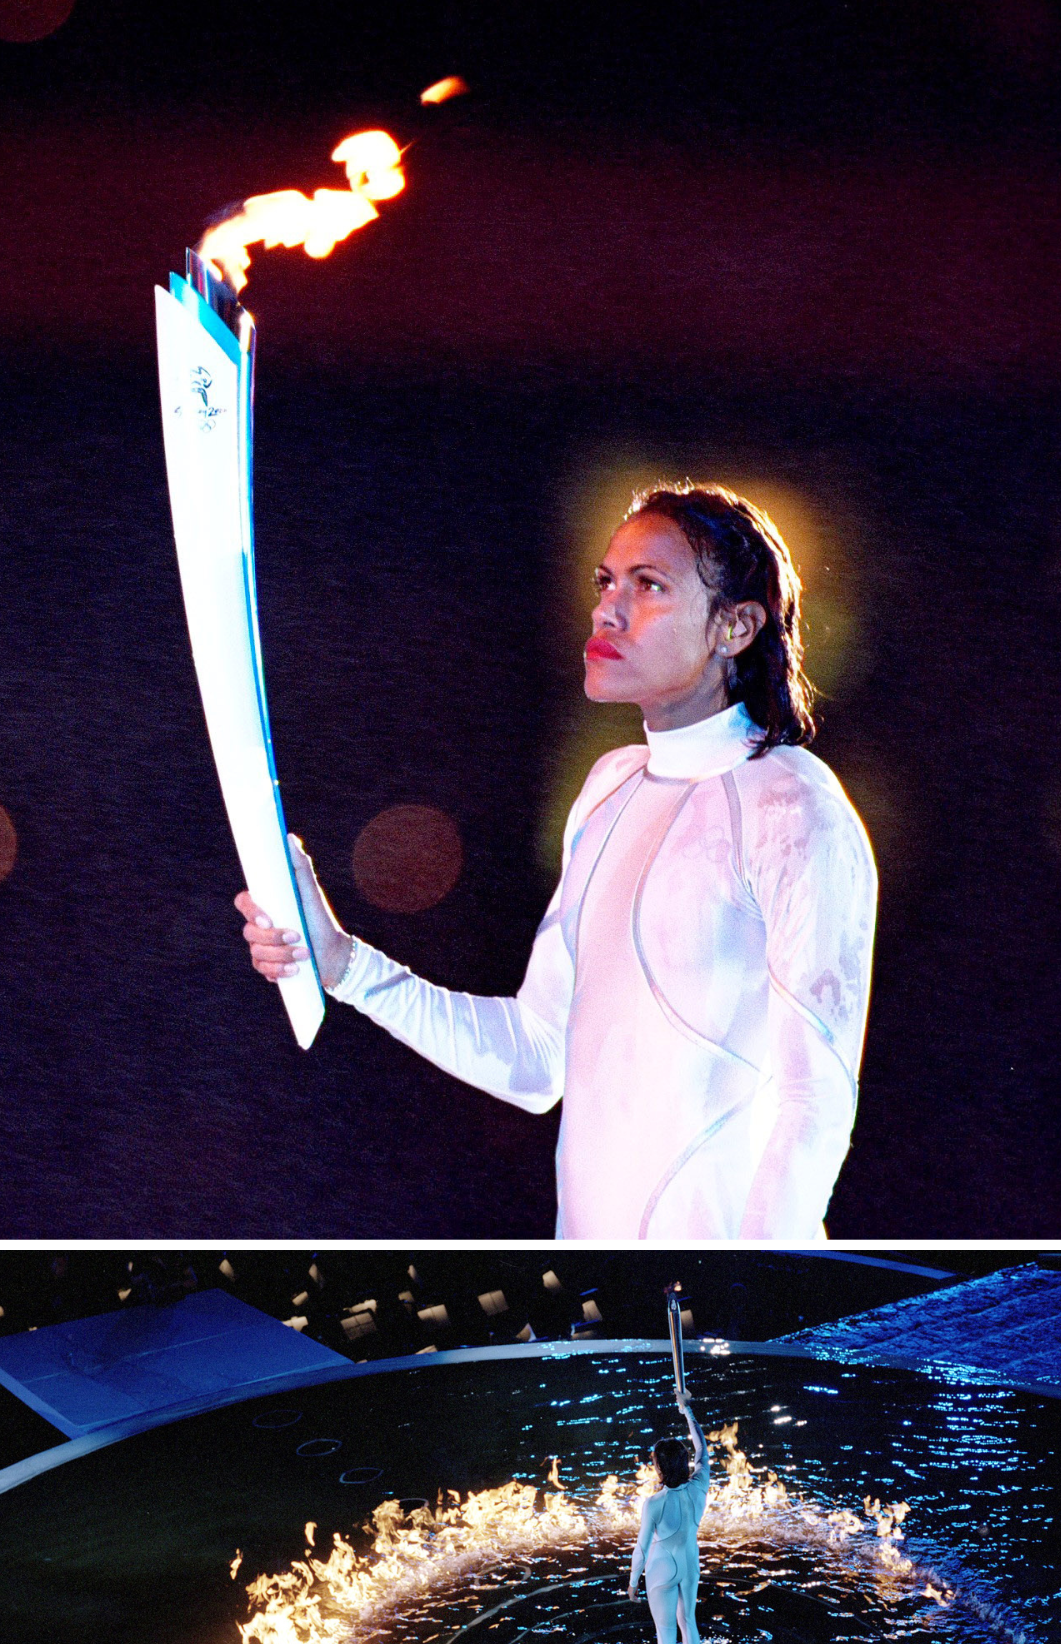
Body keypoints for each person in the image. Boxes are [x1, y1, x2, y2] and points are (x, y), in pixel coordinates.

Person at [237, 482, 877, 1238]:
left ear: (735, 627)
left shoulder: (792, 802)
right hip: (602, 1277)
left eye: (650, 586)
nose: (608, 609)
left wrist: (755, 1289)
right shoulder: (609, 788)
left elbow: (816, 1100)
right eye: (606, 581)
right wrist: (344, 965)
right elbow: (537, 1060)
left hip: (729, 1293)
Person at [628, 1390, 712, 1644]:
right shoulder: (700, 1484)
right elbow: (703, 1450)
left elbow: (642, 1546)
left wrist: (634, 1580)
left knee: (665, 1635)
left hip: (662, 1569)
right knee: (688, 1620)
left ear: (659, 1466)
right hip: (690, 1562)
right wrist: (687, 1412)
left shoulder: (654, 1503)